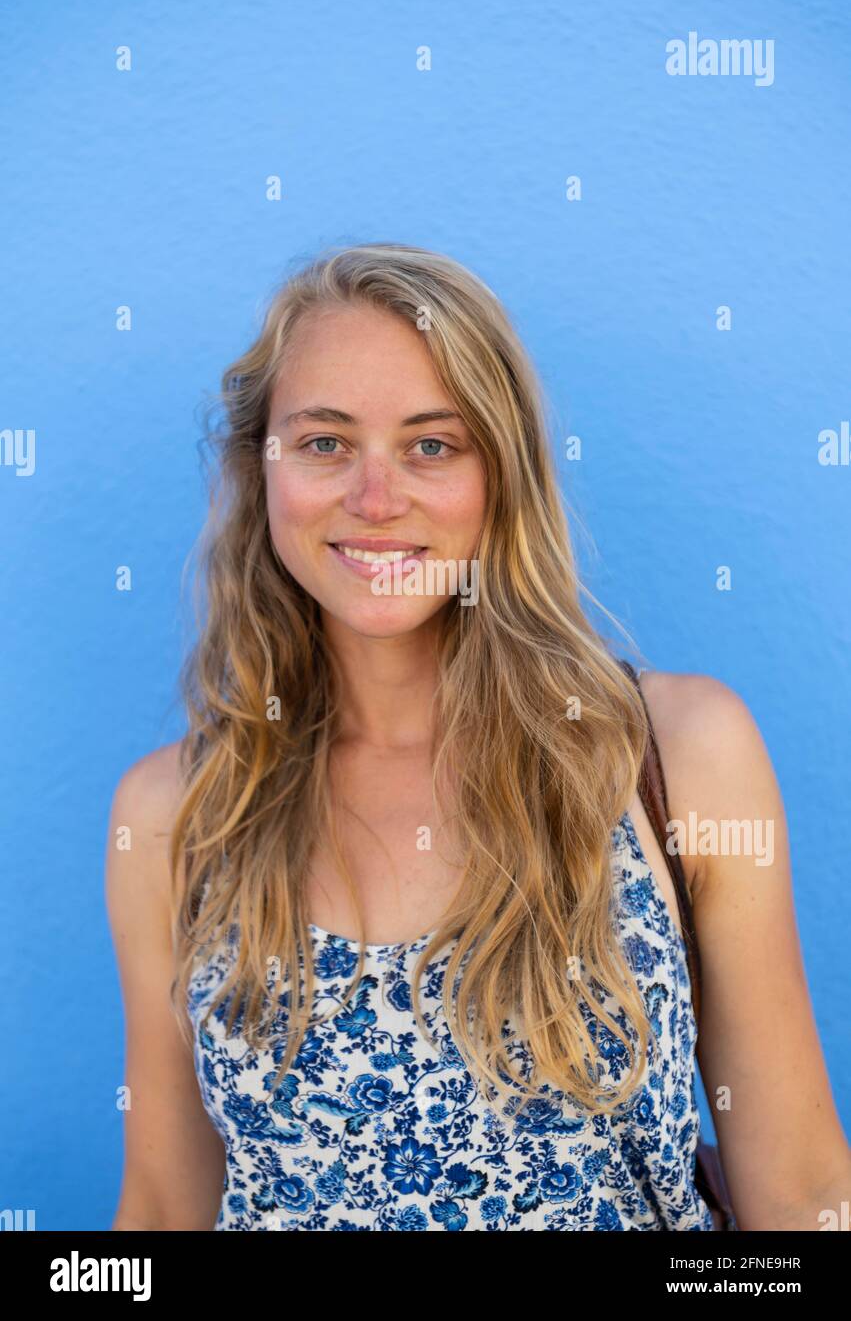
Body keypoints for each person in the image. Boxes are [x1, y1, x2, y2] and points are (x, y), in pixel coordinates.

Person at [106, 243, 850, 1231]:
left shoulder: (674, 756)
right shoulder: (177, 816)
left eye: (431, 445)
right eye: (325, 442)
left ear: (498, 475)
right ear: (262, 469)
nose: (376, 499)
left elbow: (801, 1194)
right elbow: (161, 1211)